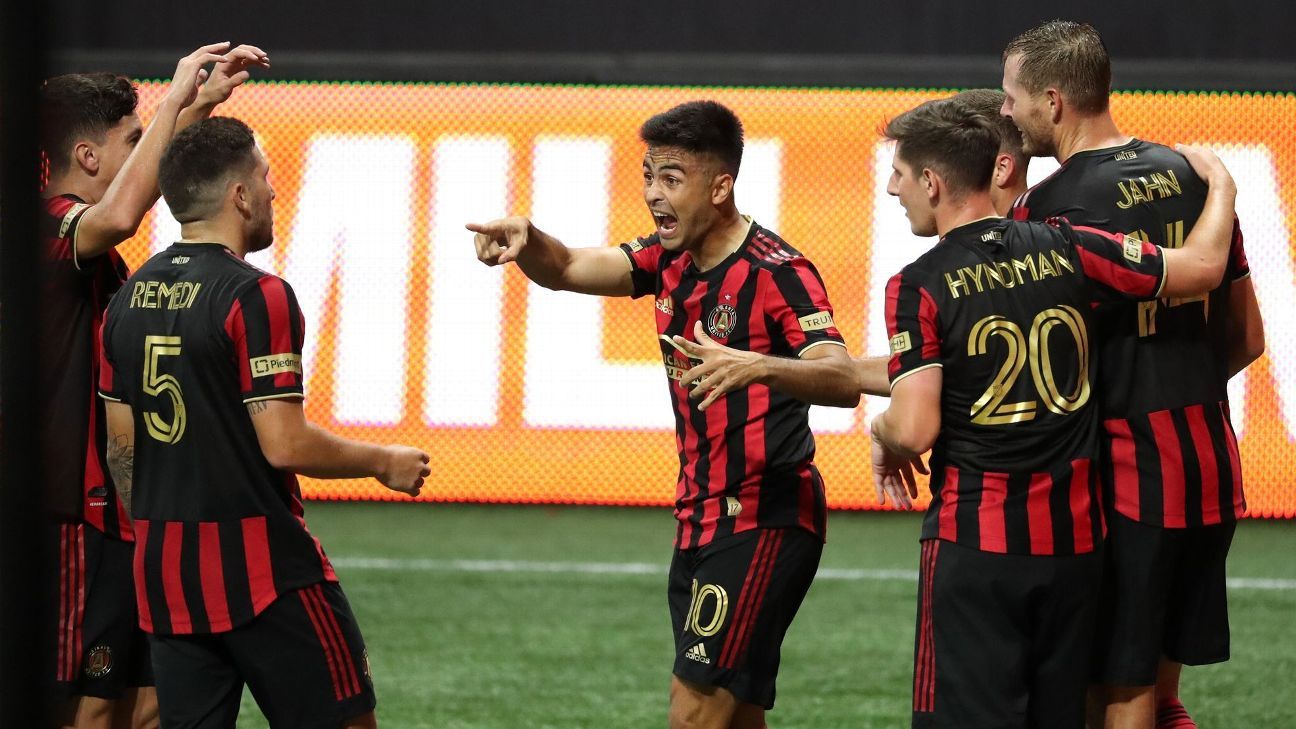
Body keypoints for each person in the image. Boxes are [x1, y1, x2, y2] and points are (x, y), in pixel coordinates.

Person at [468, 100, 858, 729]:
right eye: (649, 176)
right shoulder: (665, 257)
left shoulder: (778, 272)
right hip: (698, 518)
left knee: (694, 710)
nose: (653, 193)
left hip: (764, 515)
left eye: (671, 179)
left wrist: (757, 365)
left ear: (720, 187)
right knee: (736, 716)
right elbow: (567, 267)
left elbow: (841, 377)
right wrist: (528, 239)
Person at [869, 96, 1238, 728]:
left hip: (977, 542)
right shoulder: (1070, 246)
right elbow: (1203, 268)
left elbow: (915, 427)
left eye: (899, 174)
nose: (890, 189)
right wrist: (1222, 189)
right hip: (1075, 546)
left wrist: (883, 430)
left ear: (931, 182)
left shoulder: (917, 284)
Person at [97, 117, 431, 729]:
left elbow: (122, 447)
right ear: (240, 195)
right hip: (263, 573)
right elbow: (284, 442)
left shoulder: (126, 298)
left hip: (166, 571)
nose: (273, 190)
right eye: (265, 177)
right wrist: (383, 461)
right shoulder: (257, 295)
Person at [1001, 20, 1266, 729]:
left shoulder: (1046, 210)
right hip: (1209, 464)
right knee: (1161, 693)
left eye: (1012, 95)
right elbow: (1246, 338)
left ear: (1053, 101)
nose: (1005, 110)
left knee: (1114, 696)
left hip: (1125, 479)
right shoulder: (1196, 178)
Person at [38, 42, 268, 729]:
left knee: (149, 702)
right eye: (132, 141)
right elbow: (118, 214)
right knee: (85, 708)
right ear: (87, 157)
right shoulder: (45, 226)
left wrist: (198, 106)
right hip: (68, 513)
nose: (148, 153)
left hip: (121, 509)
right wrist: (173, 99)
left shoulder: (87, 249)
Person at [854, 88, 1031, 398]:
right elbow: (949, 365)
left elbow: (918, 411)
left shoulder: (924, 281)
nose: (892, 188)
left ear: (999, 168)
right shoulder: (1062, 243)